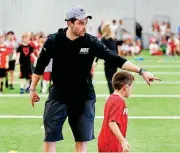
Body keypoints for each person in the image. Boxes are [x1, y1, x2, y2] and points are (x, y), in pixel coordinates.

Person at [30, 6, 160, 152]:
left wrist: (141, 71)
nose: (84, 26)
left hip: (84, 96)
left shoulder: (91, 42)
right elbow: (40, 65)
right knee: (50, 138)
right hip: (58, 95)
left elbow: (114, 58)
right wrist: (33, 89)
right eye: (80, 23)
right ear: (69, 23)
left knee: (81, 141)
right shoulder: (54, 41)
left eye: (85, 23)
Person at [98, 71, 133, 152]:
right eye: (132, 87)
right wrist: (122, 140)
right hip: (111, 142)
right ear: (126, 87)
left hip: (106, 140)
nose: (132, 90)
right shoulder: (119, 101)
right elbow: (112, 122)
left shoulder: (111, 98)